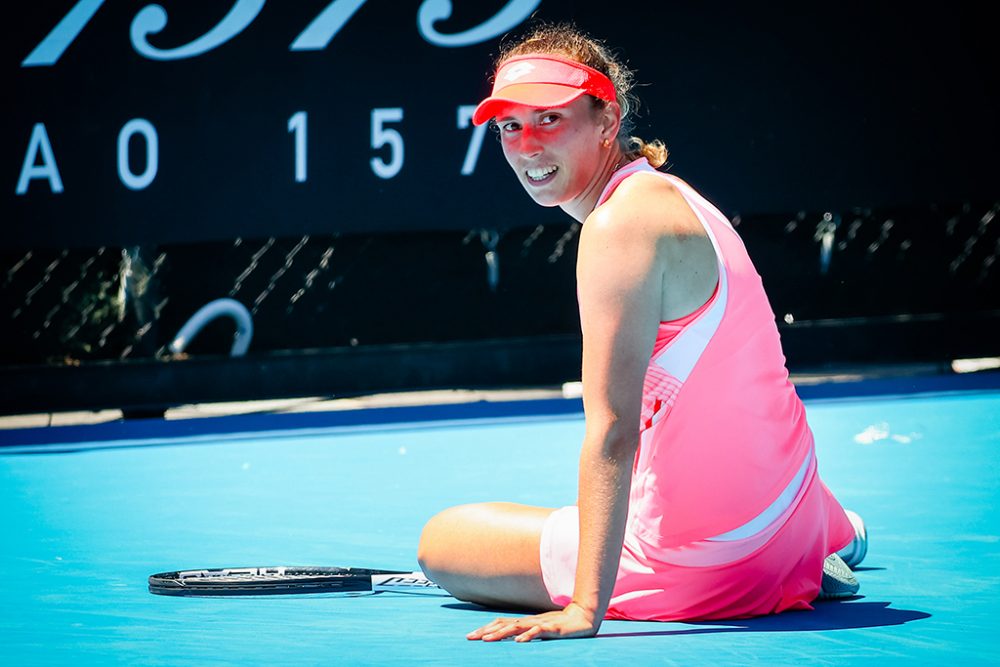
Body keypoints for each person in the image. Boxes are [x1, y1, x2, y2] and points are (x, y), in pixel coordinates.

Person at [417, 22, 867, 642]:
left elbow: (612, 429)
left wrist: (585, 609)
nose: (526, 145)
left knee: (443, 540)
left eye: (550, 119)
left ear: (608, 121)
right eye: (510, 126)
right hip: (795, 521)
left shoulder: (616, 227)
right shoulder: (677, 196)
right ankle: (839, 538)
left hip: (711, 568)